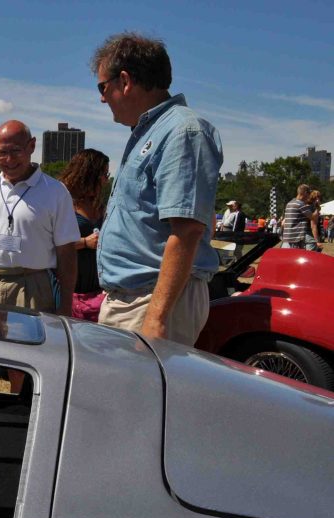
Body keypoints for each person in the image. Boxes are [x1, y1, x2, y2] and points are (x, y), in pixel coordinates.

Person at [92, 32, 222, 345]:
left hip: (152, 303)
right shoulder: (151, 132)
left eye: (102, 87)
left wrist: (157, 317)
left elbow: (187, 230)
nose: (102, 98)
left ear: (125, 81)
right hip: (136, 300)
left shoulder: (183, 131)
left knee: (144, 380)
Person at [0, 120, 78, 390]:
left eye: (15, 151)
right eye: (1, 153)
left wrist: (66, 304)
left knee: (23, 371)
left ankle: (21, 416)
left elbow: (67, 253)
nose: (8, 160)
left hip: (31, 287)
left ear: (31, 146)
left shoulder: (55, 192)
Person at [58, 149, 110, 321]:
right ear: (89, 175)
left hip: (97, 293)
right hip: (69, 292)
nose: (106, 180)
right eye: (103, 174)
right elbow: (48, 244)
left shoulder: (100, 205)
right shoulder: (63, 201)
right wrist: (85, 242)